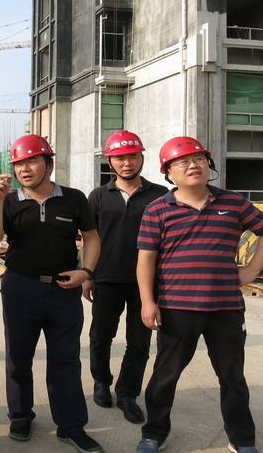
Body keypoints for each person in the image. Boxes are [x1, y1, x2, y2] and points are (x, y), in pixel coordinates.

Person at [135, 137, 263, 453]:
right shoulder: (157, 210)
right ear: (168, 172)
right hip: (176, 309)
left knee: (232, 377)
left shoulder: (234, 203)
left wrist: (251, 271)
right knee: (165, 377)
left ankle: (241, 439)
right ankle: (153, 434)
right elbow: (145, 259)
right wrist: (148, 301)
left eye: (199, 159)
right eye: (183, 162)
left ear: (208, 164)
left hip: (226, 309)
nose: (193, 165)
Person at [0, 134, 103, 453]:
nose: (24, 169)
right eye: (19, 164)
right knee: (18, 357)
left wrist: (86, 272)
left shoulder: (73, 198)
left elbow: (91, 236)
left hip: (64, 289)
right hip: (20, 288)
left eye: (32, 161)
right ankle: (20, 416)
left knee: (66, 360)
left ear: (48, 164)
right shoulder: (9, 201)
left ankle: (71, 426)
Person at [86, 131, 168, 424]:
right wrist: (88, 274)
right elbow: (90, 238)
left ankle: (127, 393)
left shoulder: (160, 195)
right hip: (106, 278)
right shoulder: (98, 196)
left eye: (132, 156)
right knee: (100, 336)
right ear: (110, 161)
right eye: (119, 158)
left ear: (141, 157)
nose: (126, 163)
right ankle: (101, 381)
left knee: (139, 342)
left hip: (146, 284)